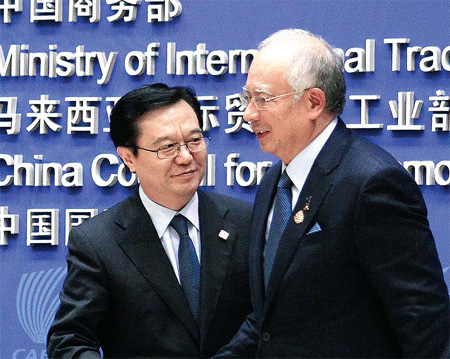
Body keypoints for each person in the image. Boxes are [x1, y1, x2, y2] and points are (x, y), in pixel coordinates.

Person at [216, 29, 450, 358]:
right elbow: (268, 320)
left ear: (313, 102)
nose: (248, 114)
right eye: (247, 98)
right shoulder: (273, 181)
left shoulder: (372, 182)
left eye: (263, 99)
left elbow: (423, 322)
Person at [47, 83, 253, 358]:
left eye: (194, 140)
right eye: (167, 147)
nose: (186, 157)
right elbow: (70, 341)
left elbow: (267, 319)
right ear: (129, 158)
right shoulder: (98, 243)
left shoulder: (247, 221)